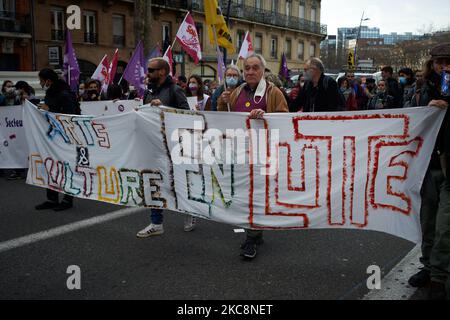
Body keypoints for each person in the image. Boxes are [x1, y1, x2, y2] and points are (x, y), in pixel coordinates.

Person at [217, 53, 289, 260]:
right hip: (239, 152)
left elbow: (285, 118)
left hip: (263, 154)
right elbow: (223, 120)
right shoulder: (235, 91)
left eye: (254, 67)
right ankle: (255, 233)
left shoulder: (273, 92)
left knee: (256, 195)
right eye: (246, 68)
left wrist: (266, 117)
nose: (249, 71)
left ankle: (251, 237)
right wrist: (222, 104)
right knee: (244, 193)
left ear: (263, 71)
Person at [407, 43, 450, 300]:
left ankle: (438, 277)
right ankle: (428, 266)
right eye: (439, 62)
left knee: (445, 224)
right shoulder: (425, 90)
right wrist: (427, 105)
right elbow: (412, 122)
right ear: (431, 64)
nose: (444, 67)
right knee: (428, 221)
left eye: (448, 62)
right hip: (429, 164)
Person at [137, 58, 193, 238]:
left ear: (162, 72)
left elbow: (187, 115)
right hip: (153, 146)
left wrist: (163, 107)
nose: (148, 73)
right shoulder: (148, 92)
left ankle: (190, 213)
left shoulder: (175, 90)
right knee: (153, 182)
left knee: (179, 184)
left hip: (173, 147)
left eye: (151, 70)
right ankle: (156, 223)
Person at [35, 68, 80, 212]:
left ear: (48, 80)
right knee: (51, 165)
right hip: (53, 135)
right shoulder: (50, 92)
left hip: (66, 136)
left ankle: (68, 199)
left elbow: (71, 115)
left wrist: (50, 108)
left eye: (41, 80)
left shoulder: (65, 93)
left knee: (66, 166)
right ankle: (52, 198)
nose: (40, 83)